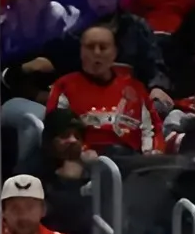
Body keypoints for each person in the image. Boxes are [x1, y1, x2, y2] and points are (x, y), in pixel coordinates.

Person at [44, 25, 157, 156]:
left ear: (115, 52)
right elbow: (56, 132)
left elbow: (153, 130)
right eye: (90, 47)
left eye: (103, 48)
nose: (97, 53)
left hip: (132, 161)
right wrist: (82, 153)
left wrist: (152, 153)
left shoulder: (135, 88)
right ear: (81, 52)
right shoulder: (65, 86)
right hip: (86, 160)